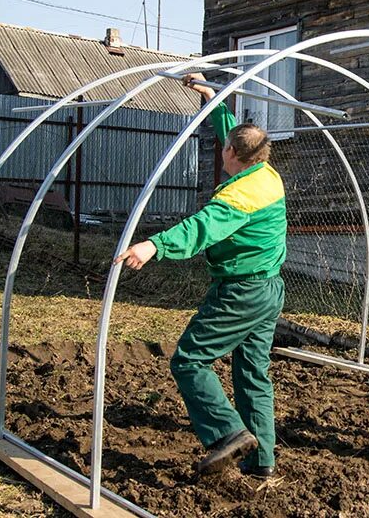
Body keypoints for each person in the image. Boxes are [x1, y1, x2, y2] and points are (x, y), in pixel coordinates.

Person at [114, 72, 287, 479]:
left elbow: (201, 227)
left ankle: (228, 434)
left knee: (190, 360)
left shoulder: (237, 197)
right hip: (269, 290)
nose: (221, 149)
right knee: (252, 374)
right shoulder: (265, 174)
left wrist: (153, 245)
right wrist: (212, 98)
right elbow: (238, 136)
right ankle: (262, 463)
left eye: (225, 147)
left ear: (232, 155)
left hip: (240, 291)